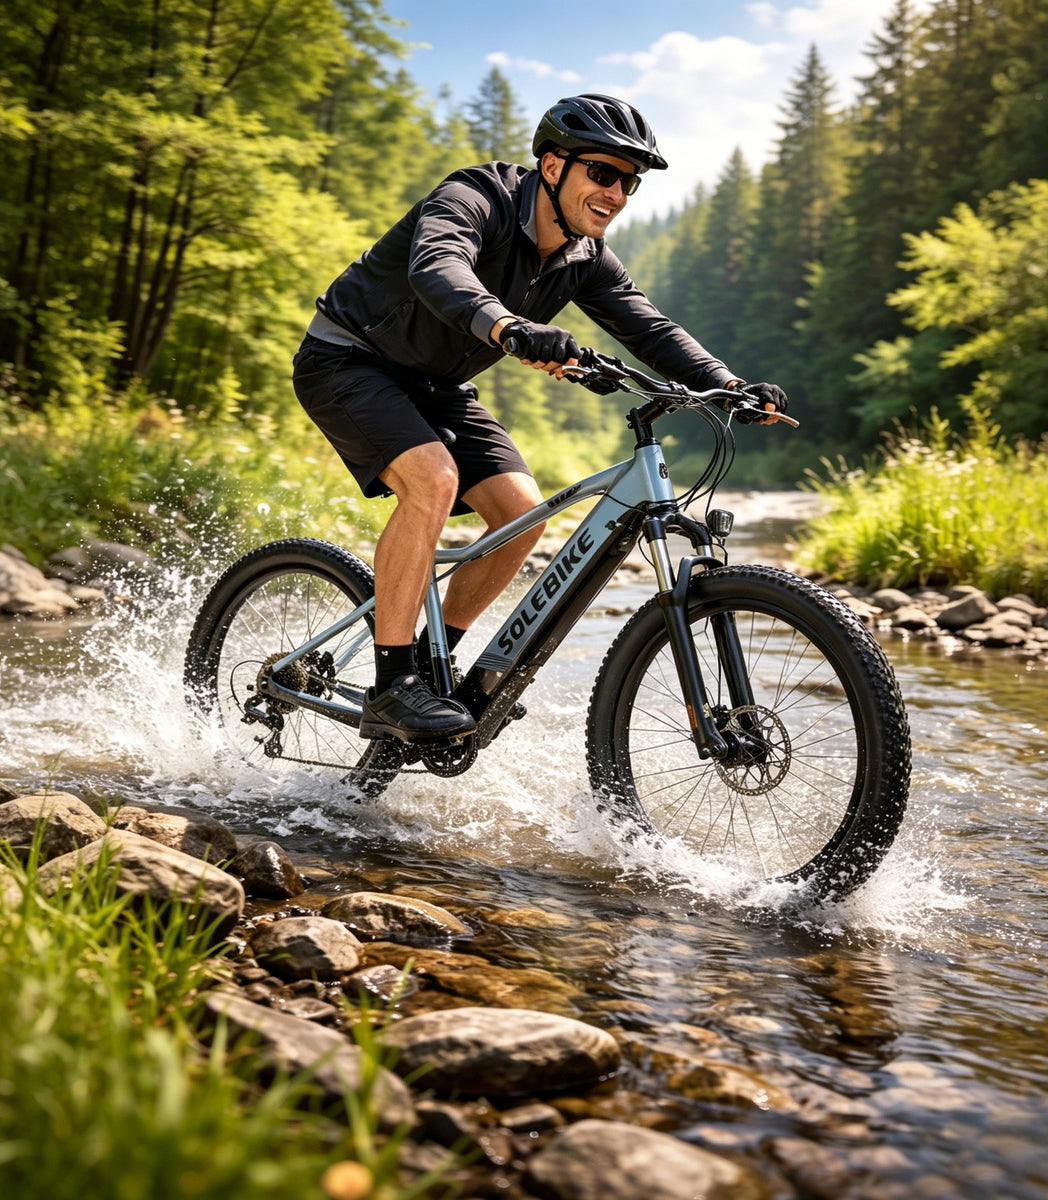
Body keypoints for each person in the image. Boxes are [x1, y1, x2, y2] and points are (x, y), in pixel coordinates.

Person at [293, 93, 787, 743]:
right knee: (434, 481)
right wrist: (508, 326)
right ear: (553, 166)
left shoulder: (585, 257)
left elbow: (650, 327)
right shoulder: (476, 197)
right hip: (349, 358)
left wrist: (725, 384)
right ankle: (394, 686)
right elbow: (437, 266)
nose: (616, 193)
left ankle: (430, 670)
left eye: (628, 182)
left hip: (436, 383)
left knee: (523, 516)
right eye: (602, 174)